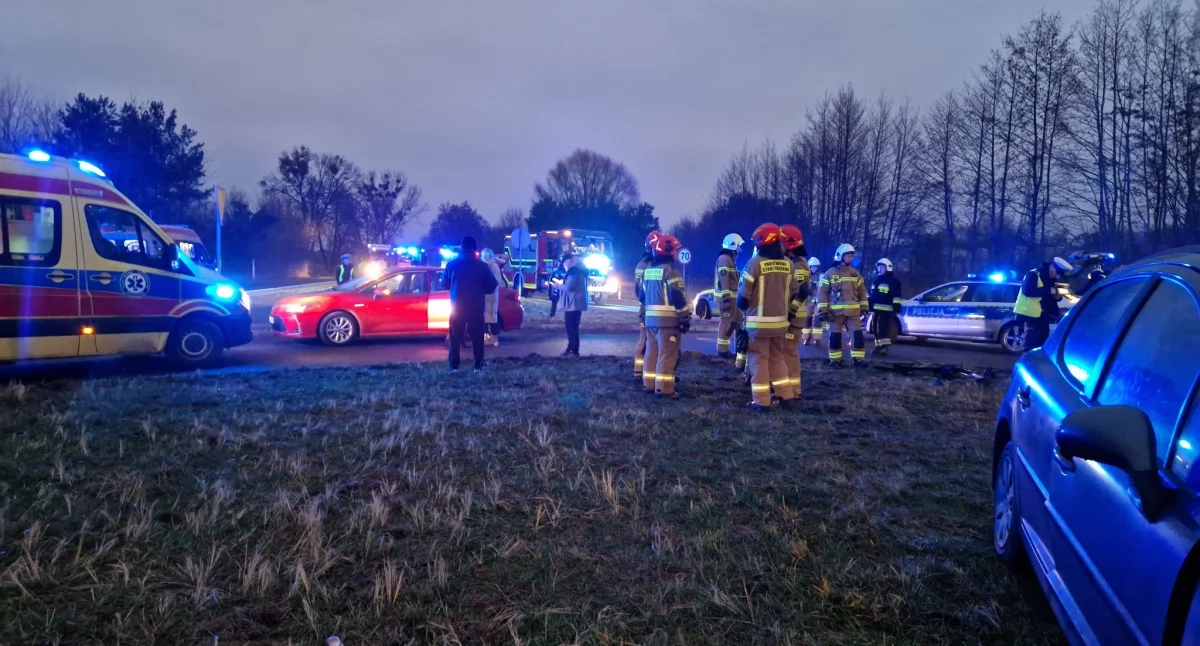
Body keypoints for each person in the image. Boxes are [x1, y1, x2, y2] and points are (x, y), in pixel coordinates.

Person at [739, 223, 798, 411]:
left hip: (758, 324)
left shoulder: (754, 263)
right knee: (777, 359)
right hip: (781, 323)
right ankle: (785, 395)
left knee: (758, 360)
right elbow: (795, 291)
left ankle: (761, 401)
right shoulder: (788, 264)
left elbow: (743, 297)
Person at [638, 235, 691, 399]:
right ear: (668, 251)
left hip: (650, 322)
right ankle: (665, 389)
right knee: (667, 355)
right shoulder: (671, 272)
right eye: (675, 250)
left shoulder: (647, 271)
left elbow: (641, 296)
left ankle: (649, 384)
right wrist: (685, 318)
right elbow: (677, 297)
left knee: (651, 353)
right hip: (668, 323)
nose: (677, 253)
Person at [442, 236, 499, 373]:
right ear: (475, 249)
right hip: (476, 307)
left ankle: (453, 367)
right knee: (478, 338)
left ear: (461, 247)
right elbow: (491, 287)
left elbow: (444, 284)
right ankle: (478, 367)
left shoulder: (451, 265)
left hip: (457, 307)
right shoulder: (483, 266)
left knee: (455, 338)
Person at [819, 243, 869, 367]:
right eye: (848, 256)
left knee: (857, 336)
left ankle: (859, 360)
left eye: (851, 256)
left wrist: (864, 307)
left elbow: (862, 292)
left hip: (853, 313)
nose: (850, 258)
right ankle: (835, 360)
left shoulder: (855, 274)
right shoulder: (830, 273)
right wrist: (823, 310)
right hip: (835, 313)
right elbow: (821, 293)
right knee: (835, 337)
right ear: (840, 256)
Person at [1014, 256, 1073, 351]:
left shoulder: (1051, 280)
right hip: (1028, 315)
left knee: (1042, 342)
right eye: (1057, 273)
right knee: (1031, 343)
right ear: (1052, 268)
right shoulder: (1033, 274)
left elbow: (1047, 297)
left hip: (1042, 316)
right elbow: (1028, 291)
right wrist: (1053, 291)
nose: (1057, 276)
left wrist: (1057, 297)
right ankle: (1027, 362)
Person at [780, 225, 810, 403]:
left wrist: (791, 310)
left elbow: (802, 291)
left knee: (789, 352)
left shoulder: (799, 264)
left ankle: (793, 391)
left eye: (780, 242)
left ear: (789, 244)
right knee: (784, 352)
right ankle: (787, 389)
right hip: (790, 316)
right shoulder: (794, 261)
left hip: (794, 317)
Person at [634, 231, 663, 382]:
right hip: (649, 310)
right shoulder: (649, 265)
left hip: (646, 309)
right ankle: (642, 372)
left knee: (646, 340)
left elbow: (637, 290)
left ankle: (641, 371)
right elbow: (642, 290)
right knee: (648, 341)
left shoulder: (642, 264)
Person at [714, 233, 744, 358]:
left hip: (733, 300)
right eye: (739, 245)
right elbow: (724, 279)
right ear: (733, 245)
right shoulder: (724, 259)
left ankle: (739, 350)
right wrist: (726, 299)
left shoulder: (730, 260)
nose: (740, 249)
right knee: (726, 323)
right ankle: (722, 351)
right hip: (727, 300)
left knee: (737, 323)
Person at [868, 258, 903, 356]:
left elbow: (897, 297)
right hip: (875, 309)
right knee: (875, 329)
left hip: (886, 310)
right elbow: (870, 294)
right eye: (878, 267)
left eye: (882, 267)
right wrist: (868, 304)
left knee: (883, 329)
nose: (879, 269)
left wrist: (896, 307)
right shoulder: (876, 280)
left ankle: (884, 348)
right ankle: (878, 346)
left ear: (888, 268)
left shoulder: (893, 282)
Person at [560, 253, 589, 356]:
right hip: (577, 303)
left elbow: (569, 288)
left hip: (572, 304)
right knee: (573, 327)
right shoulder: (580, 270)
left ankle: (574, 350)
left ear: (567, 261)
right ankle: (571, 348)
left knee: (571, 328)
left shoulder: (574, 271)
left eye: (564, 263)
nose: (564, 266)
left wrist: (558, 286)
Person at [480, 248, 504, 347]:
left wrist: (487, 285)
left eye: (482, 256)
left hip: (491, 295)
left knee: (492, 317)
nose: (481, 258)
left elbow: (497, 280)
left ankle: (494, 338)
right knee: (486, 317)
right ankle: (488, 337)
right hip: (487, 296)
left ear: (486, 256)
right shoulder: (487, 266)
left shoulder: (493, 266)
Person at [801, 257, 822, 345]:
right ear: (809, 267)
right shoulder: (805, 276)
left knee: (817, 320)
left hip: (818, 301)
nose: (815, 268)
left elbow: (824, 287)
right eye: (813, 267)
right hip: (808, 301)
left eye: (816, 267)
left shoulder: (821, 276)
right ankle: (806, 338)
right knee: (807, 320)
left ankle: (817, 339)